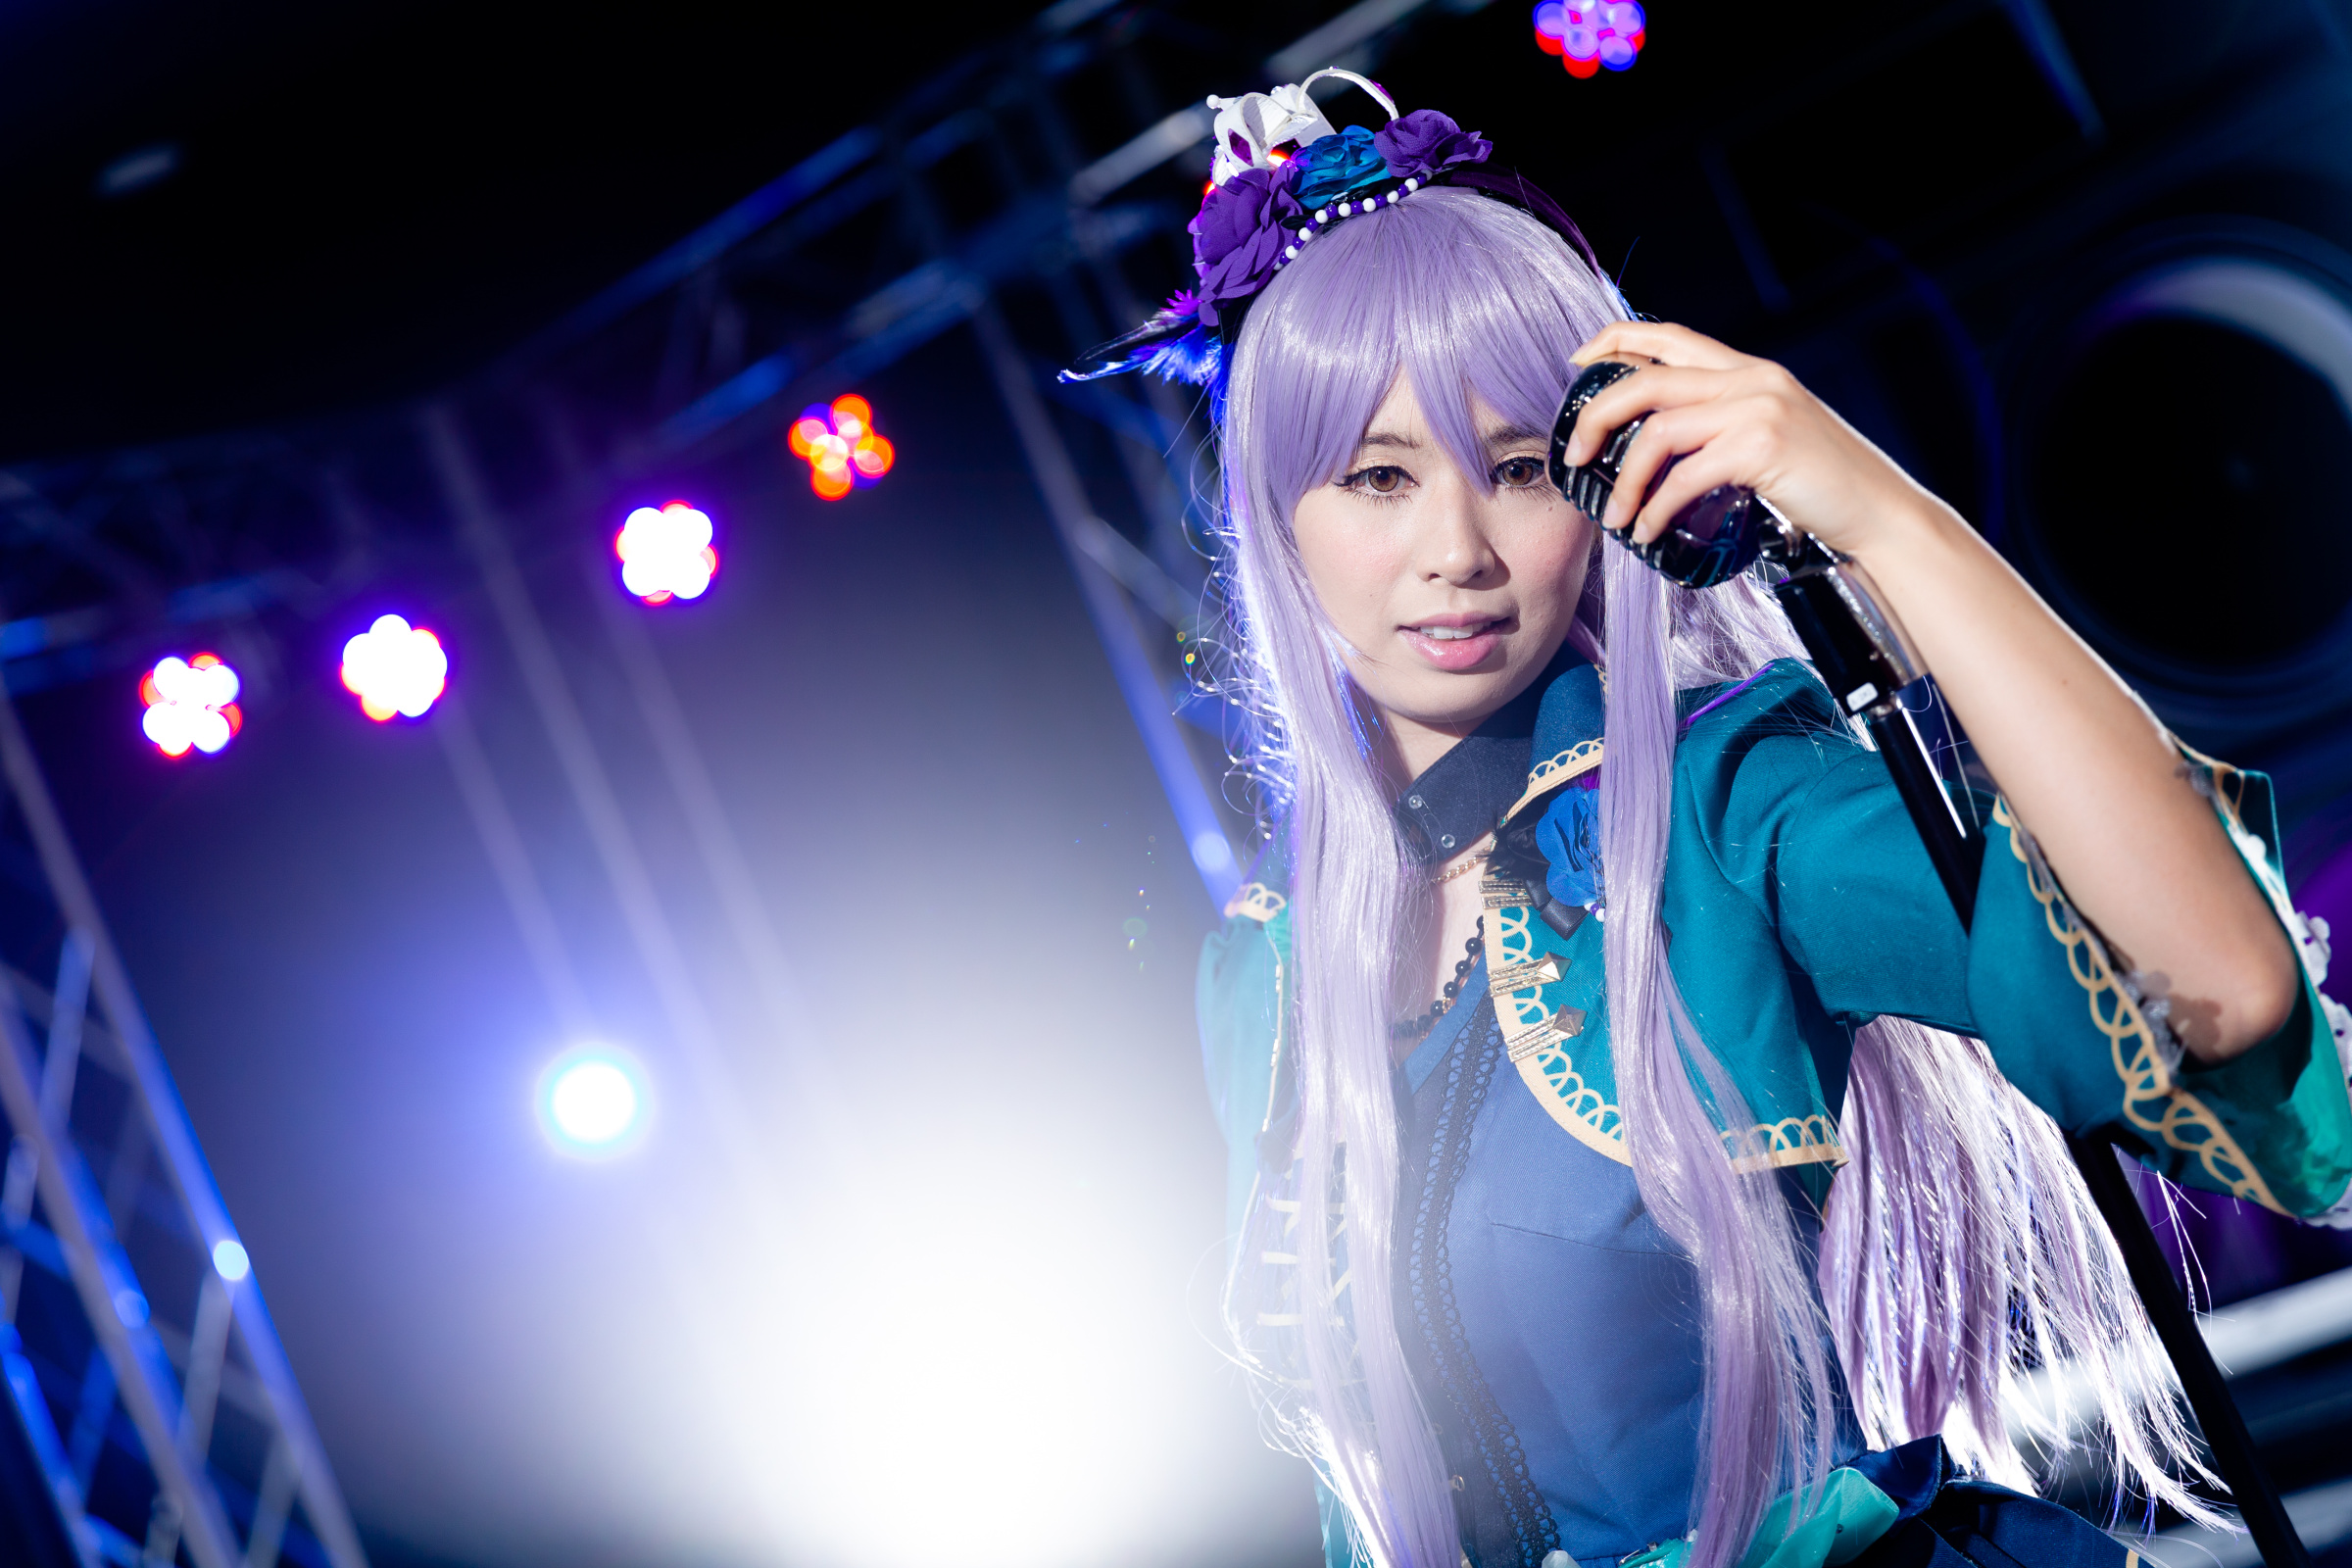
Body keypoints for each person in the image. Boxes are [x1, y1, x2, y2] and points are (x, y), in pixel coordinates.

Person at [1067, 71, 2352, 1568]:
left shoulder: (1724, 805)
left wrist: (1880, 518)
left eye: (1520, 469)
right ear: (1277, 527)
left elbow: (2219, 990)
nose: (1457, 551)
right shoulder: (1265, 975)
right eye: (1378, 478)